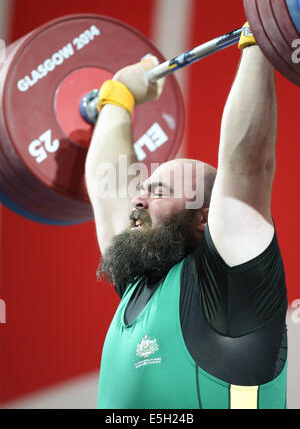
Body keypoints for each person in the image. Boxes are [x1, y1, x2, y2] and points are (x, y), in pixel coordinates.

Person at [85, 23, 288, 409]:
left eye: (158, 192)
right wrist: (117, 97)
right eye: (142, 190)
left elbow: (247, 166)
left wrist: (260, 40)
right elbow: (106, 188)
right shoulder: (140, 277)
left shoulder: (231, 282)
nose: (138, 200)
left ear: (206, 218)